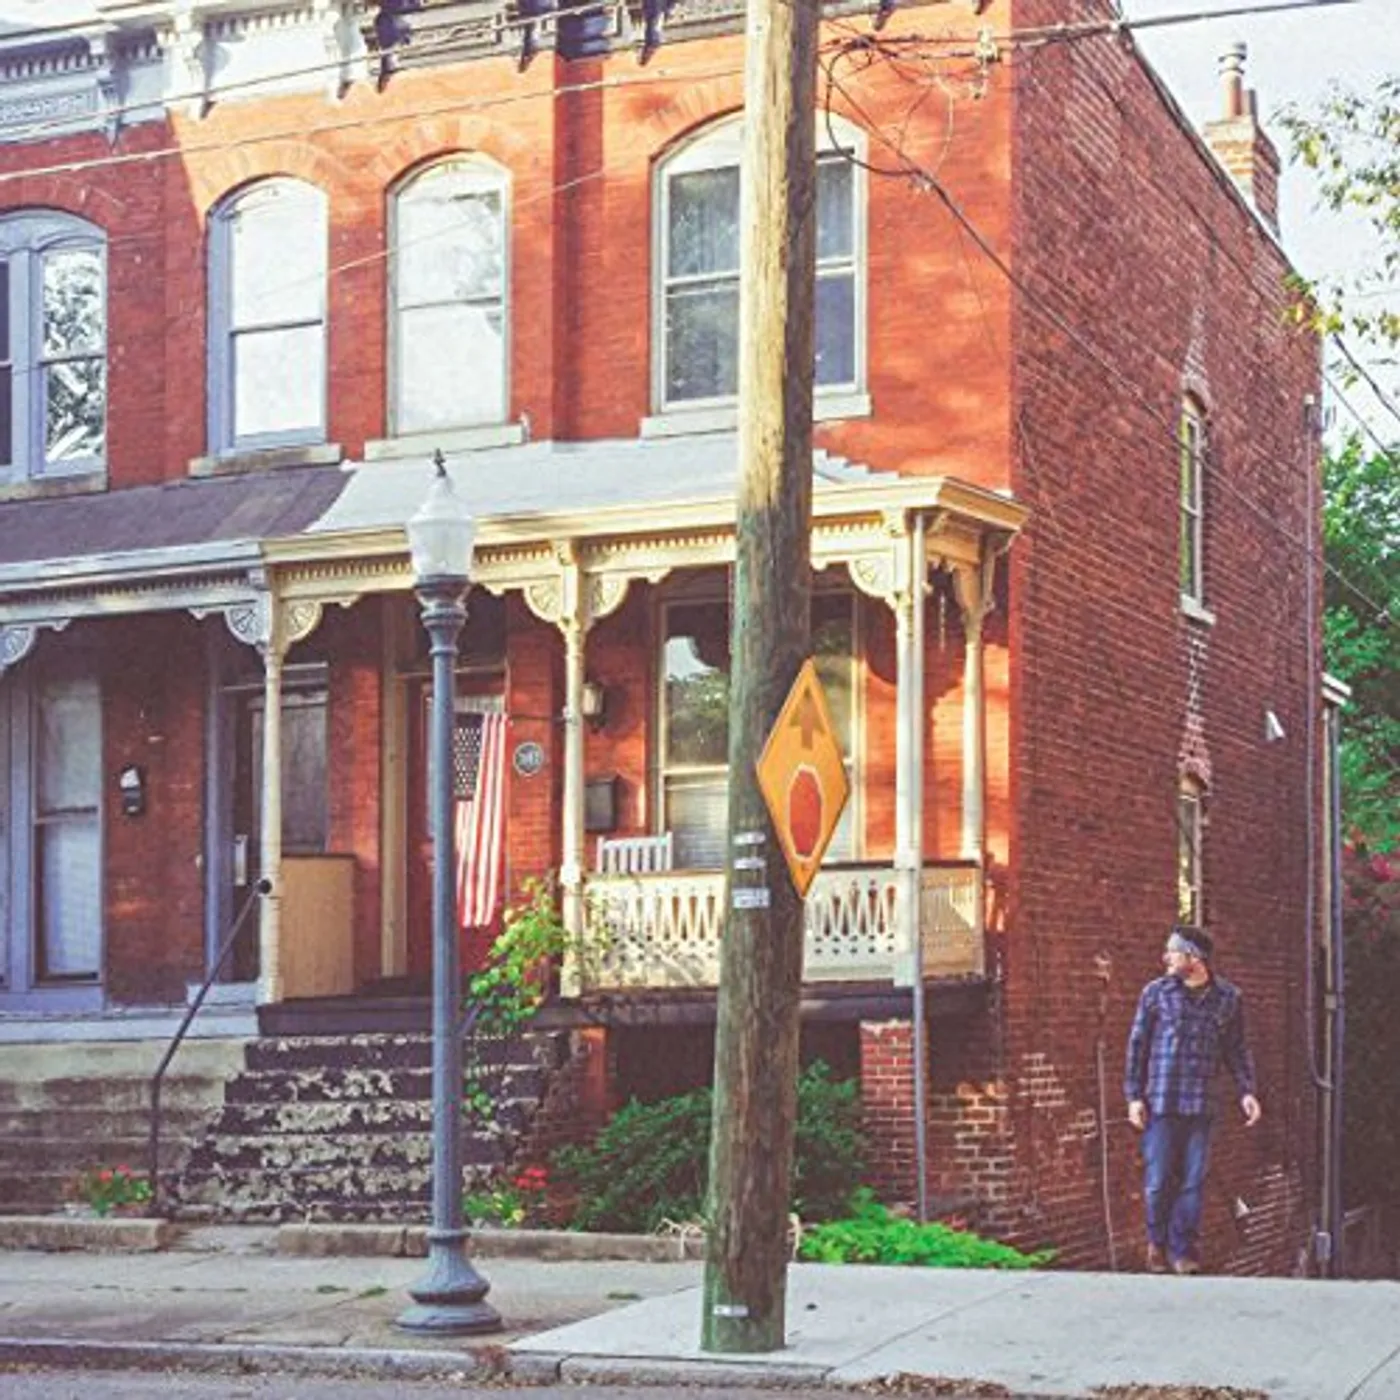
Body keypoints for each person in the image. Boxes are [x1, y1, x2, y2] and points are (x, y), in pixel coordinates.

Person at [1124, 926, 1261, 1275]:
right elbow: (1137, 1047)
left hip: (1201, 1104)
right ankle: (1156, 1244)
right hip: (1161, 1101)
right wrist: (1133, 1096)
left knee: (1192, 1182)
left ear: (1194, 958)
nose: (1165, 957)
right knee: (1157, 1181)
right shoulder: (1155, 994)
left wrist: (1247, 1091)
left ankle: (1182, 1251)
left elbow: (1236, 1050)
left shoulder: (1229, 998)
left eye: (1173, 951)